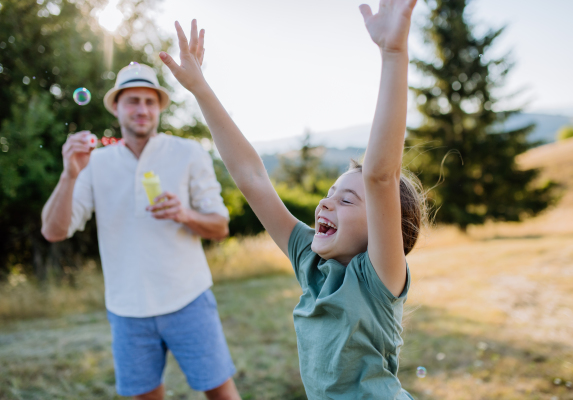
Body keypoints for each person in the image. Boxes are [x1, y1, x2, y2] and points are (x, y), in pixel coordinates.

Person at [159, 0, 423, 398]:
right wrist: (199, 88)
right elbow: (252, 179)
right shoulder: (311, 263)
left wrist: (393, 53)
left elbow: (381, 176)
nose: (325, 204)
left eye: (348, 201)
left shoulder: (379, 278)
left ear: (383, 229)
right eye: (329, 194)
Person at [40, 63, 241, 400]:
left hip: (188, 299)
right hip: (127, 311)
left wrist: (184, 213)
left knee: (221, 394)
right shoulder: (95, 163)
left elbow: (220, 226)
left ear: (160, 108)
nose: (142, 109)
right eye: (133, 101)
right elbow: (53, 231)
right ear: (116, 107)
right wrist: (70, 174)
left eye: (150, 102)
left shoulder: (188, 152)